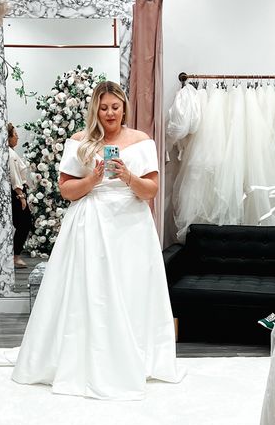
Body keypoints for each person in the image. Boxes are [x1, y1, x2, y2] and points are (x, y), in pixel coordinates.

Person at [12, 81, 182, 400]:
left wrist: (129, 176)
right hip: (90, 222)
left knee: (132, 287)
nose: (109, 113)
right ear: (95, 109)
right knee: (89, 290)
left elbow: (151, 191)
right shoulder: (80, 141)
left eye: (115, 107)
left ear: (124, 107)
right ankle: (86, 361)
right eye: (103, 108)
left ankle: (139, 358)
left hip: (131, 226)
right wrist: (94, 178)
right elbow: (66, 191)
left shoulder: (141, 141)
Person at [0, 122, 34, 269]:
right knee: (25, 222)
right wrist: (21, 196)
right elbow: (13, 176)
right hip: (8, 189)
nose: (17, 138)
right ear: (8, 137)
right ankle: (14, 257)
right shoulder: (8, 153)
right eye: (15, 135)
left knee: (1, 223)